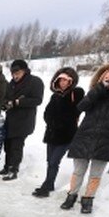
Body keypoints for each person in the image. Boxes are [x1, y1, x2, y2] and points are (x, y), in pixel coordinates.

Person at [56, 63, 109, 210]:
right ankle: (71, 196)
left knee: (95, 174)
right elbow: (82, 106)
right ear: (100, 77)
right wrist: (99, 89)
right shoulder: (94, 91)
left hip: (106, 138)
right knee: (78, 171)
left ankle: (88, 199)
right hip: (85, 136)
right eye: (106, 77)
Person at [36, 68, 85, 199]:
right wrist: (51, 122)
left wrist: (62, 123)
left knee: (54, 161)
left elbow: (76, 110)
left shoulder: (76, 93)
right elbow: (47, 112)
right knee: (50, 161)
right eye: (61, 80)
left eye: (66, 80)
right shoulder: (55, 96)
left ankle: (46, 186)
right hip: (52, 133)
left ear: (70, 82)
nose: (63, 83)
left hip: (66, 135)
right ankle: (49, 183)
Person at [0, 59, 44, 181]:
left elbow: (37, 100)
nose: (15, 75)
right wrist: (5, 104)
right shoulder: (11, 83)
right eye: (13, 73)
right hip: (11, 119)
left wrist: (19, 102)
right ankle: (7, 166)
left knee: (16, 146)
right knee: (7, 144)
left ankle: (14, 169)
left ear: (24, 71)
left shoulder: (35, 82)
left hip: (24, 120)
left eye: (17, 73)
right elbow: (6, 97)